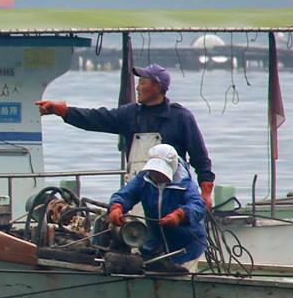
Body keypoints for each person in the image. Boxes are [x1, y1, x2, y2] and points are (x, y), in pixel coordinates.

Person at [37, 62, 217, 205]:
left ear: (157, 87)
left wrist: (206, 193)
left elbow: (200, 157)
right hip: (138, 190)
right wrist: (63, 111)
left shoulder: (181, 117)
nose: (137, 88)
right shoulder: (130, 114)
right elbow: (95, 118)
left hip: (174, 192)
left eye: (142, 83)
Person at [105, 142, 209, 270]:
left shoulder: (185, 184)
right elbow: (126, 194)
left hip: (185, 248)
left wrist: (180, 215)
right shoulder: (144, 179)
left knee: (180, 282)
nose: (156, 176)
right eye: (154, 172)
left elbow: (198, 206)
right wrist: (116, 207)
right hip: (155, 245)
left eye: (160, 173)